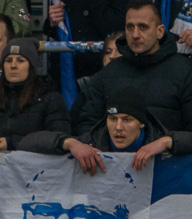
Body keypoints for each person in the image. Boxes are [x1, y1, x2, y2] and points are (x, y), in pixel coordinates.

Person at [77, 2, 192, 136]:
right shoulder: (109, 72)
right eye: (130, 27)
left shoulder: (185, 72)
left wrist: (169, 143)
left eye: (143, 27)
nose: (135, 35)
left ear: (160, 31)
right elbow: (87, 125)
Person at [21, 90, 192, 173]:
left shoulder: (159, 141)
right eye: (112, 119)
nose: (118, 127)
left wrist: (168, 141)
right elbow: (25, 143)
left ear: (141, 123)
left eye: (127, 120)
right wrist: (68, 143)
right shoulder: (92, 141)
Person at [0, 37, 69, 151]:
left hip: (33, 161)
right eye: (8, 61)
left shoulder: (50, 98)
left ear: (31, 66)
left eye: (20, 61)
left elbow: (59, 139)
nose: (13, 65)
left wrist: (13, 143)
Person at [44, 0, 129, 78]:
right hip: (66, 69)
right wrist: (52, 21)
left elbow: (117, 27)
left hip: (101, 69)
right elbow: (58, 29)